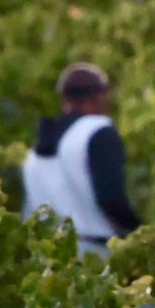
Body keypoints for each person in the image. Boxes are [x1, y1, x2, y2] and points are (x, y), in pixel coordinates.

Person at [21, 61, 139, 255]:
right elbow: (111, 197)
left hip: (47, 259)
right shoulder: (97, 130)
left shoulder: (33, 155)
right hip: (95, 253)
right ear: (95, 97)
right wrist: (139, 232)